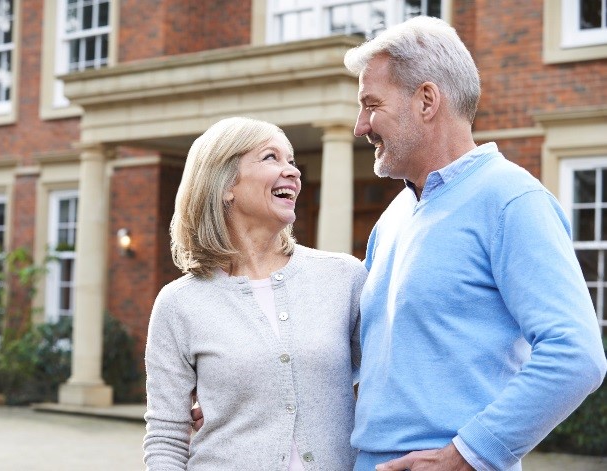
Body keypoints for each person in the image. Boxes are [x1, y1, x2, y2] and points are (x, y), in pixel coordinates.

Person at [344, 16, 607, 471]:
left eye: (371, 104)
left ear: (426, 100)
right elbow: (362, 365)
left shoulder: (511, 200)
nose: (360, 126)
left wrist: (468, 455)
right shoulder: (392, 218)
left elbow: (576, 354)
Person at [142, 116, 367, 470]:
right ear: (224, 183)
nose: (292, 171)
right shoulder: (178, 304)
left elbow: (388, 384)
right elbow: (167, 434)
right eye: (271, 158)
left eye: (292, 161)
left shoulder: (345, 277)